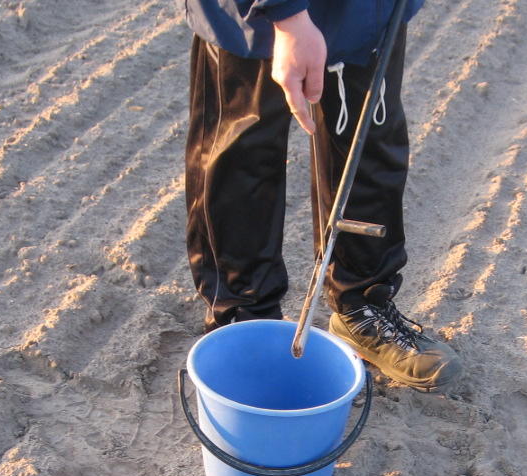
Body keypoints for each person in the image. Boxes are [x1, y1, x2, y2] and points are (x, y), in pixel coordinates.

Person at [175, 0, 463, 392]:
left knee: (368, 139)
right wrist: (287, 16)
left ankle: (362, 306)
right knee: (242, 153)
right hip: (254, 15)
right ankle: (245, 323)